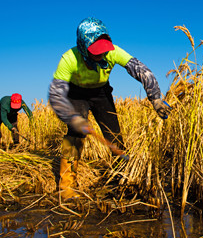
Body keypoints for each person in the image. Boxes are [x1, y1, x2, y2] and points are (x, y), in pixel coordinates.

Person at [48, 17, 171, 200]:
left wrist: (155, 98)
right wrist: (72, 117)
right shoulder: (69, 59)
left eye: (103, 51)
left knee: (113, 134)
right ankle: (67, 186)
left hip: (101, 93)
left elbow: (142, 70)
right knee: (75, 135)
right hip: (77, 94)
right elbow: (56, 96)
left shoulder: (112, 51)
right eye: (95, 52)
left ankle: (122, 176)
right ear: (83, 45)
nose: (101, 55)